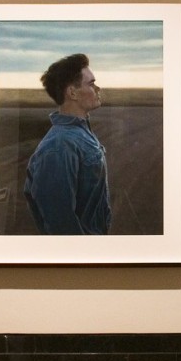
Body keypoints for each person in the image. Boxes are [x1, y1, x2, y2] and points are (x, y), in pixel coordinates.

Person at [23, 53, 111, 235]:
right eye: (91, 83)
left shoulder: (80, 133)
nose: (98, 88)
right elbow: (59, 222)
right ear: (72, 93)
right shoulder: (59, 146)